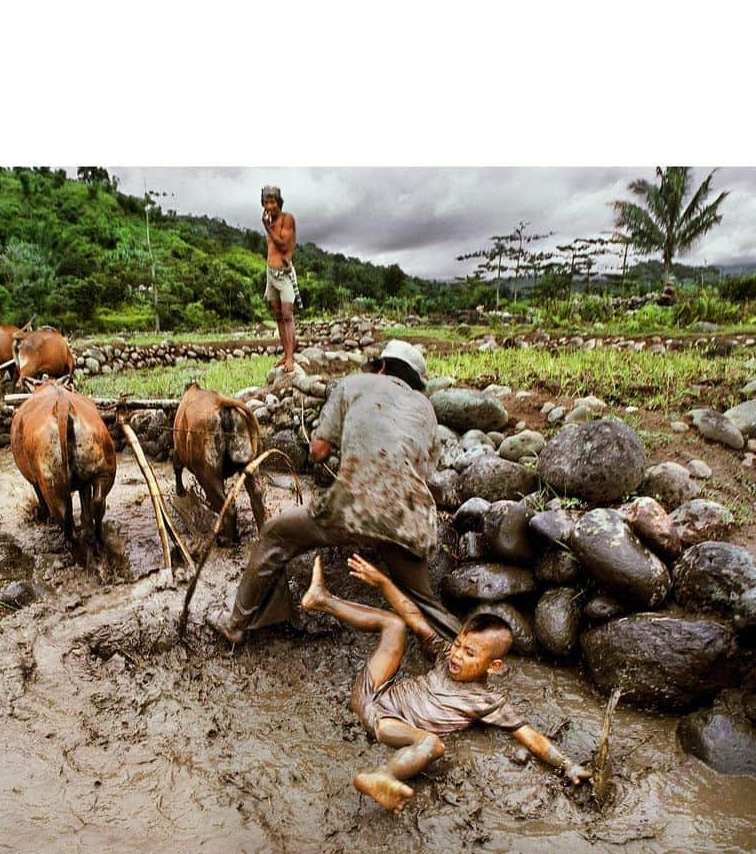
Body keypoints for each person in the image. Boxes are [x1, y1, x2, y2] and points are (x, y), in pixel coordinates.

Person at [301, 552, 592, 813]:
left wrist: (567, 765)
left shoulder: (488, 702)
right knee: (396, 624)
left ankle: (384, 775)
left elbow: (532, 738)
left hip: (387, 721)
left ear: (494, 666)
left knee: (431, 743)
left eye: (469, 653)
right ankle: (322, 599)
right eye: (458, 645)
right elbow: (414, 616)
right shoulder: (443, 655)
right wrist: (382, 582)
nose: (456, 655)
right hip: (371, 691)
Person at [215, 339, 459, 644]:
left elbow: (318, 450)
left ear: (381, 367)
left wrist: (337, 450)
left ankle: (237, 627)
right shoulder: (425, 407)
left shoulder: (353, 383)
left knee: (275, 534)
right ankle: (465, 648)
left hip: (353, 507)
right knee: (425, 602)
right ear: (414, 380)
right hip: (411, 519)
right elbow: (423, 471)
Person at [260, 185, 299, 373]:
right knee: (277, 316)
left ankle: (291, 356)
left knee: (287, 315)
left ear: (279, 202)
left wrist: (267, 228)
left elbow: (283, 246)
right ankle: (285, 354)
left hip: (283, 275)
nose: (270, 206)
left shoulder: (287, 219)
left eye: (272, 201)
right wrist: (268, 226)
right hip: (270, 273)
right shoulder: (270, 221)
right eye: (266, 202)